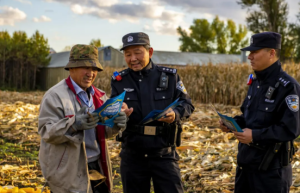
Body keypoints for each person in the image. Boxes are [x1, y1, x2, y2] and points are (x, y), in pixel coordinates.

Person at [110, 32, 195, 193]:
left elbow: (187, 104)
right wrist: (118, 110)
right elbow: (111, 110)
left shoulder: (170, 77)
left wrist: (175, 114)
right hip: (133, 154)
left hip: (163, 153)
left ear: (150, 52)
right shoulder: (119, 80)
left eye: (137, 53)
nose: (132, 58)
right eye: (128, 54)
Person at [38, 44, 129, 193]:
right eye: (85, 68)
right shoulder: (55, 96)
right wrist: (74, 124)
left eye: (94, 69)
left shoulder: (99, 96)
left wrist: (117, 125)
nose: (90, 73)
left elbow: (103, 132)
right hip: (68, 170)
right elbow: (46, 132)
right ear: (71, 68)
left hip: (97, 165)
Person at [219, 32, 300, 193]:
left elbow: (291, 129)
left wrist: (255, 135)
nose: (250, 56)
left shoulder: (288, 87)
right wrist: (233, 124)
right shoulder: (256, 83)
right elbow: (248, 118)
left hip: (270, 172)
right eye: (250, 52)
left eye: (255, 52)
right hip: (245, 166)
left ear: (272, 53)